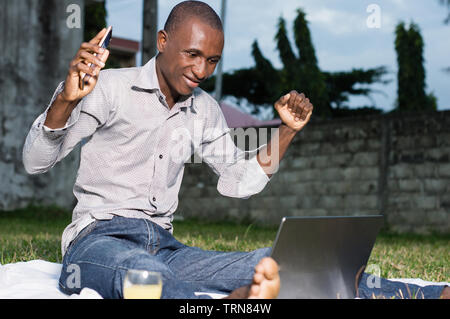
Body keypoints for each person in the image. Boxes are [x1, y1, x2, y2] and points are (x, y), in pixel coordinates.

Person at [23, 1, 447, 299]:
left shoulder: (204, 110)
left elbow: (237, 182)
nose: (201, 71)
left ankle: (427, 294)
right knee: (144, 278)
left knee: (277, 262)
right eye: (192, 54)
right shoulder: (111, 87)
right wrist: (65, 101)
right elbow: (36, 161)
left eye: (212, 61)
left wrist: (286, 131)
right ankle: (239, 300)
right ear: (162, 40)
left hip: (167, 246)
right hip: (98, 239)